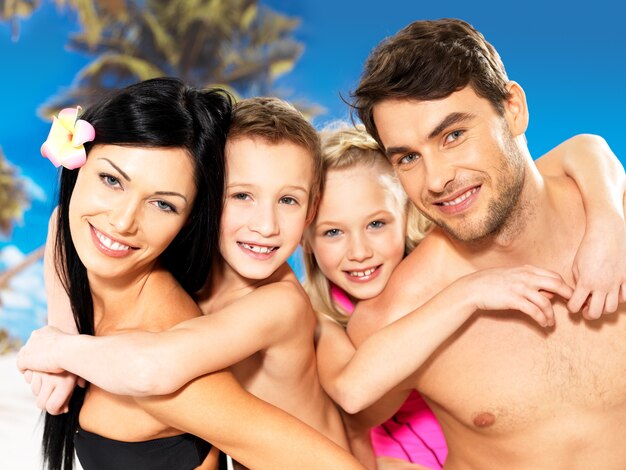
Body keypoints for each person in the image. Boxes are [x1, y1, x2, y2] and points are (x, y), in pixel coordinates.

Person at [25, 77, 364, 470]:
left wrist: (55, 348)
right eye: (242, 195)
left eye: (287, 199)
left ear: (311, 209)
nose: (265, 225)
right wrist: (64, 324)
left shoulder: (278, 303)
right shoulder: (183, 262)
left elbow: (153, 369)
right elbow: (61, 225)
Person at [342, 18, 626, 469]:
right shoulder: (400, 316)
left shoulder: (614, 218)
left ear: (513, 109)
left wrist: (610, 216)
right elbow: (341, 433)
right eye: (409, 157)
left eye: (453, 135)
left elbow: (586, 150)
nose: (437, 180)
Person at [303, 124, 626, 469]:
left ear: (406, 213)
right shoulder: (326, 322)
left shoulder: (442, 252)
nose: (359, 251)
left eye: (376, 224)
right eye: (333, 232)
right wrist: (470, 292)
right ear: (304, 238)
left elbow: (582, 147)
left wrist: (609, 219)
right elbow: (351, 397)